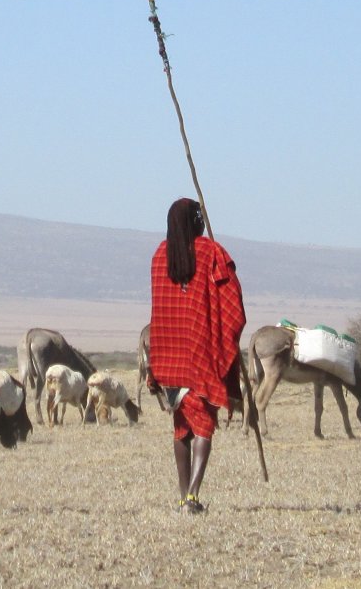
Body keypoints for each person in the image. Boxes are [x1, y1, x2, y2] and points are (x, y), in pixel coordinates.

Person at [145, 198, 246, 513]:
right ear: (196, 221)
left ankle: (182, 495)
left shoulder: (160, 255)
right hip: (200, 356)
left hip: (167, 358)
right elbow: (232, 305)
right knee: (203, 426)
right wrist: (227, 339)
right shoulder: (211, 252)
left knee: (180, 428)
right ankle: (191, 497)